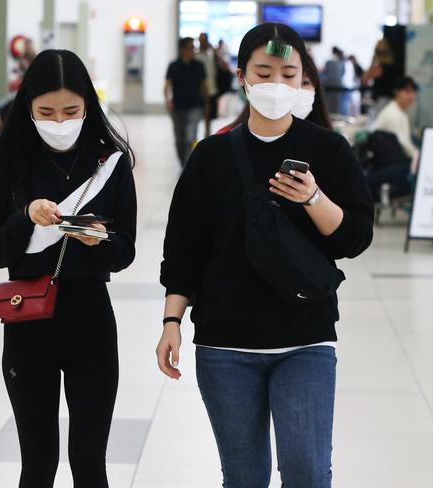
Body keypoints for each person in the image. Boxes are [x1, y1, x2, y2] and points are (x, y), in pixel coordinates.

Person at [156, 23, 374, 487]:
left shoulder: (328, 150)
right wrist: (171, 322)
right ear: (241, 76)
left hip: (305, 338)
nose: (277, 84)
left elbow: (354, 238)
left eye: (288, 74)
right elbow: (183, 248)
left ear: (302, 81)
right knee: (244, 477)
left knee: (307, 473)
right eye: (264, 71)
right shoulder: (211, 156)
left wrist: (314, 199)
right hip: (224, 343)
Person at [0, 49, 137, 488]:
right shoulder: (9, 162)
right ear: (27, 105)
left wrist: (97, 239)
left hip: (91, 321)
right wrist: (26, 214)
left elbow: (126, 250)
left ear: (89, 105)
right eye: (46, 111)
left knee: (90, 463)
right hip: (28, 320)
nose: (60, 120)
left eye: (72, 110)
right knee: (38, 462)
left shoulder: (110, 162)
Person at [366, 76, 420, 201]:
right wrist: (419, 157)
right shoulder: (393, 113)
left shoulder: (399, 112)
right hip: (389, 164)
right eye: (407, 91)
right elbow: (404, 144)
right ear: (397, 92)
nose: (411, 96)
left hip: (393, 160)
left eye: (413, 92)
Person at [164, 37, 209, 166]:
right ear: (182, 49)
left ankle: (187, 167)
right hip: (177, 107)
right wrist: (167, 100)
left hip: (195, 107)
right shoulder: (173, 66)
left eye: (193, 48)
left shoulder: (199, 66)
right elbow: (167, 85)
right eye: (190, 48)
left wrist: (206, 105)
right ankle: (183, 162)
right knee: (179, 140)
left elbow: (204, 86)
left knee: (190, 138)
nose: (192, 51)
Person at [362, 39, 399, 119]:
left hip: (382, 100)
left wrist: (372, 63)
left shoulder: (379, 67)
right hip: (392, 100)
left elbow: (364, 81)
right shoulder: (394, 66)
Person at [322, 46, 346, 115]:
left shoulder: (329, 62)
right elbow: (342, 73)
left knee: (328, 106)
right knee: (337, 106)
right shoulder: (342, 62)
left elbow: (325, 73)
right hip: (338, 86)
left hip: (329, 86)